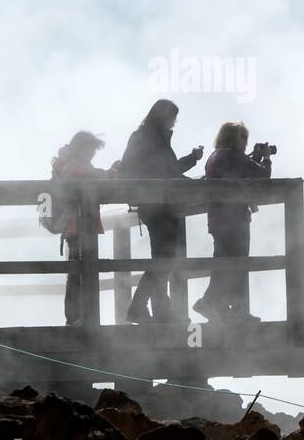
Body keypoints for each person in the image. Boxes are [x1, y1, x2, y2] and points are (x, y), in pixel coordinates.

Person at [118, 99, 203, 323]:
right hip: (159, 206)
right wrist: (192, 160)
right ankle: (138, 308)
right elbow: (167, 170)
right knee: (164, 260)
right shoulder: (151, 139)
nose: (174, 122)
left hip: (157, 204)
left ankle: (160, 312)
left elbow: (163, 171)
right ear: (164, 116)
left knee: (162, 260)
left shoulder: (144, 137)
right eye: (172, 117)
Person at [193, 121, 272, 322]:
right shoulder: (235, 157)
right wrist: (266, 159)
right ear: (236, 139)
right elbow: (262, 176)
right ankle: (228, 308)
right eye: (243, 138)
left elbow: (238, 171)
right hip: (235, 220)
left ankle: (220, 307)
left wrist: (252, 157)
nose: (245, 143)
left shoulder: (214, 156)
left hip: (218, 220)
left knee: (223, 264)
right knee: (237, 266)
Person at [49, 132, 115, 325]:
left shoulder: (68, 163)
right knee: (80, 271)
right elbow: (85, 175)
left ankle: (78, 317)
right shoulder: (73, 165)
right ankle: (79, 318)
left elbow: (89, 175)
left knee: (77, 271)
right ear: (83, 148)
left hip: (76, 226)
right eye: (91, 149)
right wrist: (108, 174)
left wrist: (106, 173)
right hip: (76, 225)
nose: (93, 154)